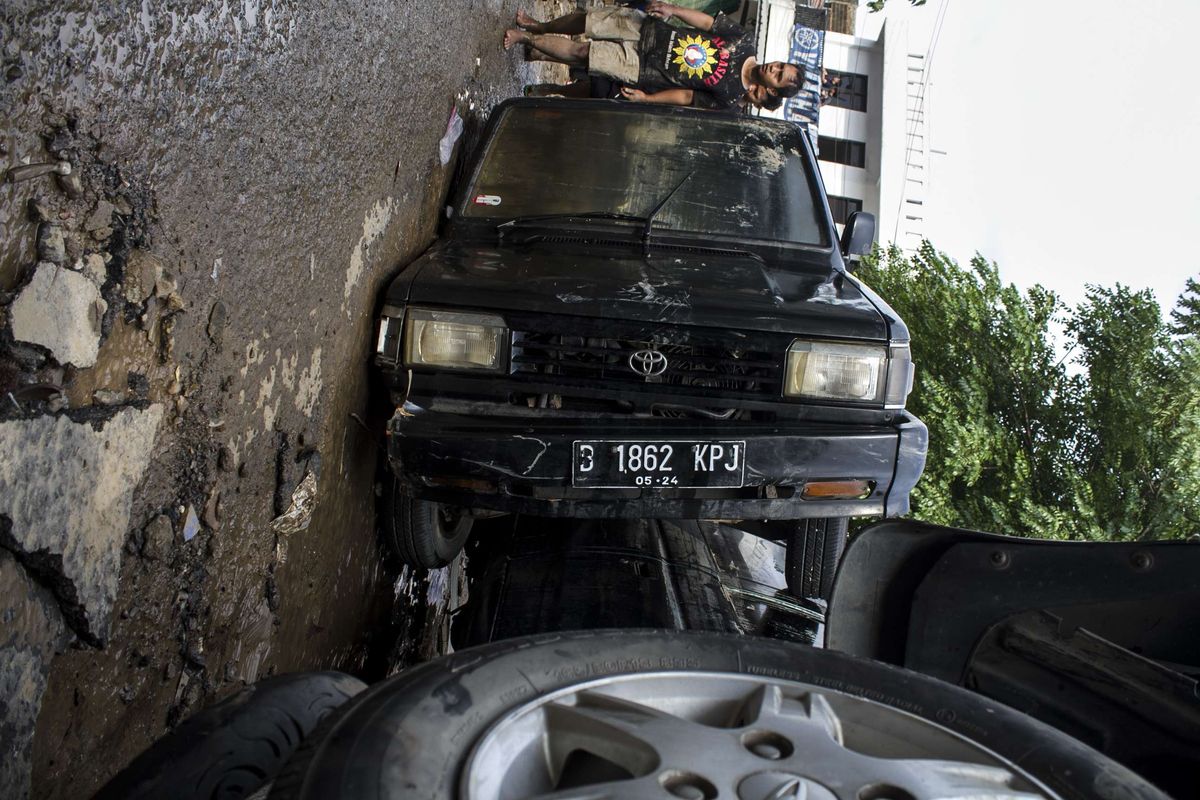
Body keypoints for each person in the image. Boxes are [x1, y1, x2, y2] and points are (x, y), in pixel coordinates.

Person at [503, 2, 804, 112]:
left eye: (777, 74)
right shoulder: (745, 42)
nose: (773, 67)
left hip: (643, 69)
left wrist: (647, 100)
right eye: (779, 64)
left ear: (774, 90)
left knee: (584, 53)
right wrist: (673, 10)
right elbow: (708, 23)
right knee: (587, 22)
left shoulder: (728, 96)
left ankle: (526, 38)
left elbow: (687, 97)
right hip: (652, 32)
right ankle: (539, 25)